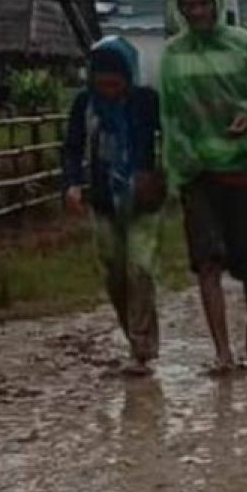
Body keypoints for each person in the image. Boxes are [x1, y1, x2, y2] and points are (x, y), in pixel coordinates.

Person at [159, 0, 247, 375]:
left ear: (217, 4)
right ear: (180, 10)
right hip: (198, 172)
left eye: (203, 3)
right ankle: (222, 351)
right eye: (189, 5)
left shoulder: (246, 45)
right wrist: (180, 160)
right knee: (207, 261)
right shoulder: (172, 55)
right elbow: (170, 114)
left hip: (245, 169)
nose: (197, 11)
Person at [63, 37, 164, 376]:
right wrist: (73, 183)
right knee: (114, 271)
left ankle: (141, 346)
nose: (108, 89)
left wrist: (165, 173)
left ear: (127, 77)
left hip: (143, 200)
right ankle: (132, 333)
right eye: (101, 82)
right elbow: (73, 147)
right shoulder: (84, 106)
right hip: (104, 199)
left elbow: (170, 137)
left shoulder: (147, 102)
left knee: (140, 268)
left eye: (115, 82)